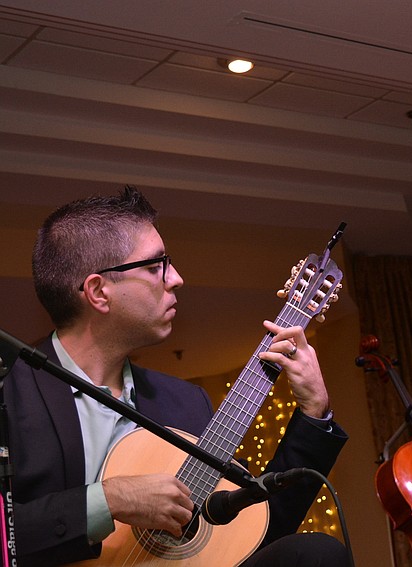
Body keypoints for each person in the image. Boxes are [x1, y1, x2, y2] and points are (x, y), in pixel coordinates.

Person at [5, 186, 350, 566]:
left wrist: (315, 413)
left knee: (316, 553)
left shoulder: (185, 402)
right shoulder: (10, 390)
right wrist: (110, 499)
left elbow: (255, 534)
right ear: (98, 292)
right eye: (156, 266)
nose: (176, 279)